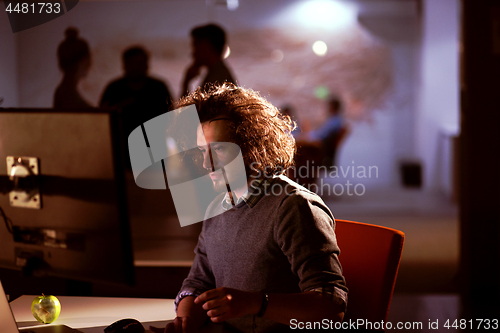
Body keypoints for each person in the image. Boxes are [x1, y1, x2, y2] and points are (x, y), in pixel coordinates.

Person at [157, 84, 347, 332]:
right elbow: (198, 282)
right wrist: (186, 321)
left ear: (252, 148)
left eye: (219, 150)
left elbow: (332, 307)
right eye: (202, 151)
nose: (206, 163)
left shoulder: (293, 207)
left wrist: (255, 303)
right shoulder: (218, 205)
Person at [100, 46, 173, 136]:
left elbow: (171, 116)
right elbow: (102, 117)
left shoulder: (159, 87)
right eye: (131, 64)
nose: (135, 68)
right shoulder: (113, 89)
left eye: (139, 64)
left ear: (146, 65)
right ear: (124, 65)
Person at [181, 24, 237, 96]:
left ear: (205, 46)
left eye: (195, 47)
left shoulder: (215, 81)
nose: (193, 54)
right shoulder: (220, 73)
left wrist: (186, 83)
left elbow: (192, 108)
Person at [53, 27, 93, 109]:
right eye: (88, 60)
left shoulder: (65, 91)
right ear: (82, 62)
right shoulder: (65, 93)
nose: (90, 65)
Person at [308, 97, 346, 167]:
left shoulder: (334, 121)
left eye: (329, 106)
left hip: (321, 146)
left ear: (333, 108)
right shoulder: (336, 120)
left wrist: (308, 135)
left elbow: (321, 135)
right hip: (322, 144)